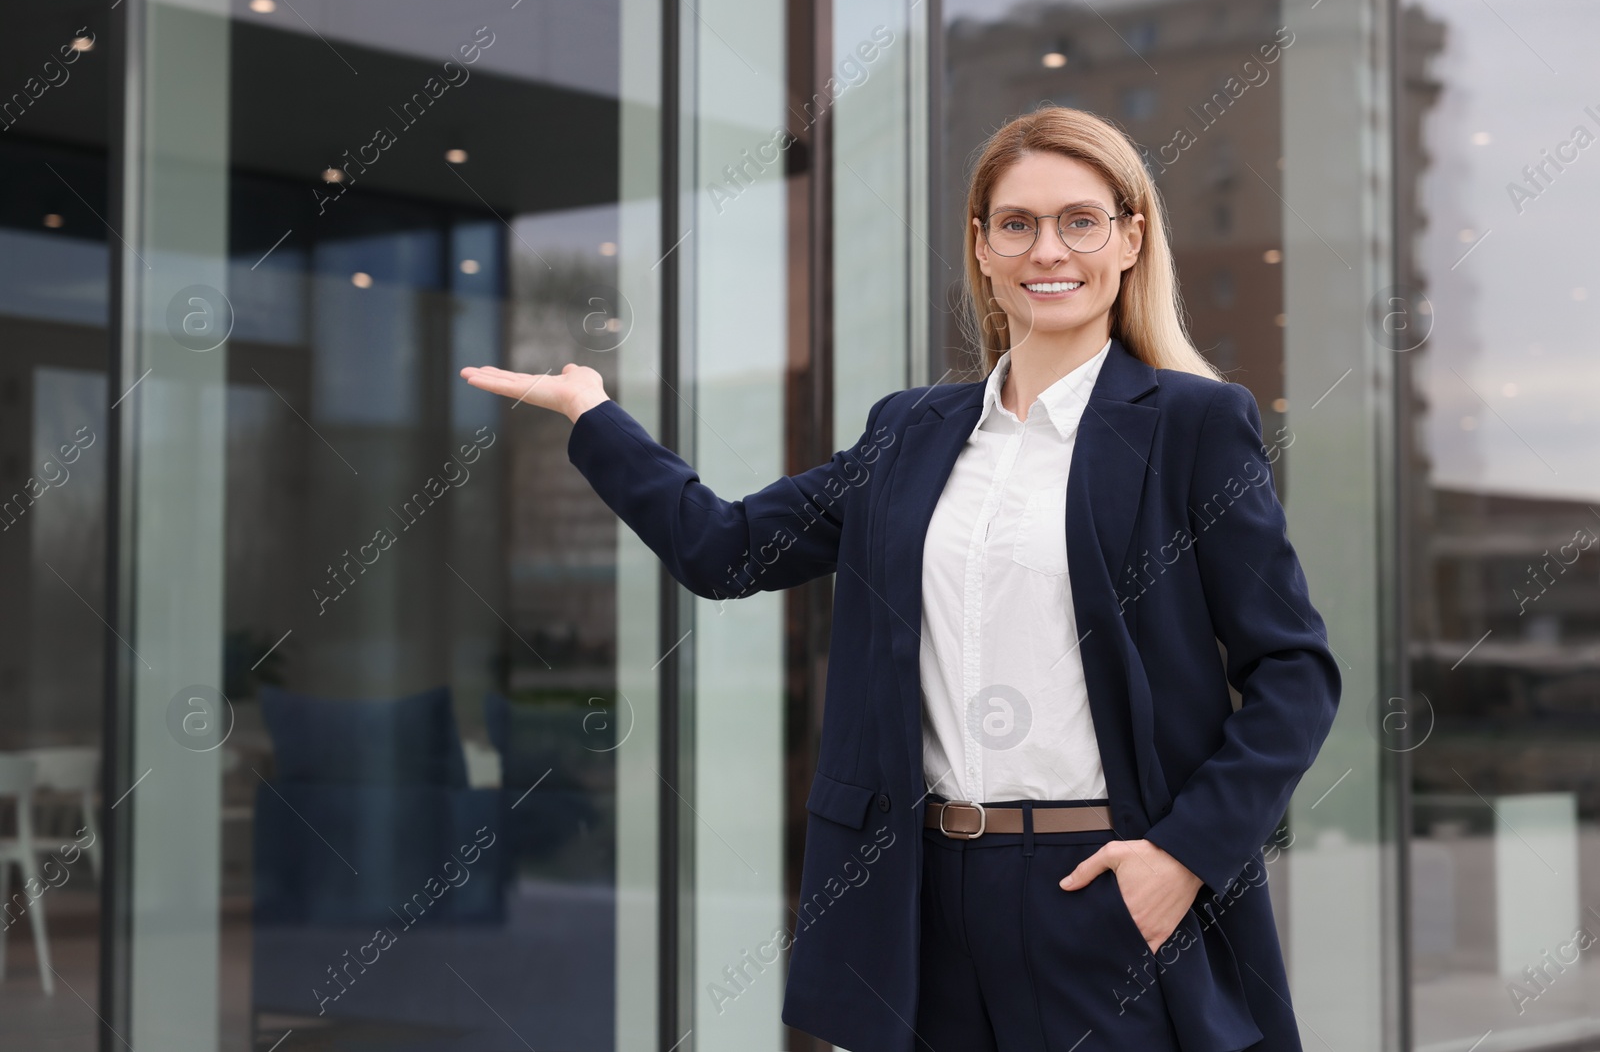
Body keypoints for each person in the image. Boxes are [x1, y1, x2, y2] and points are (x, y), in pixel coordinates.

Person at [461, 106, 1340, 1052]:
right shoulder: (909, 432)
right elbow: (723, 549)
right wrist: (594, 416)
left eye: (1081, 221)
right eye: (1018, 223)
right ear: (984, 246)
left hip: (1106, 886)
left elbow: (1295, 670)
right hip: (922, 897)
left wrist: (1181, 854)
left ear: (1130, 239)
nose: (1050, 249)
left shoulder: (1194, 425)